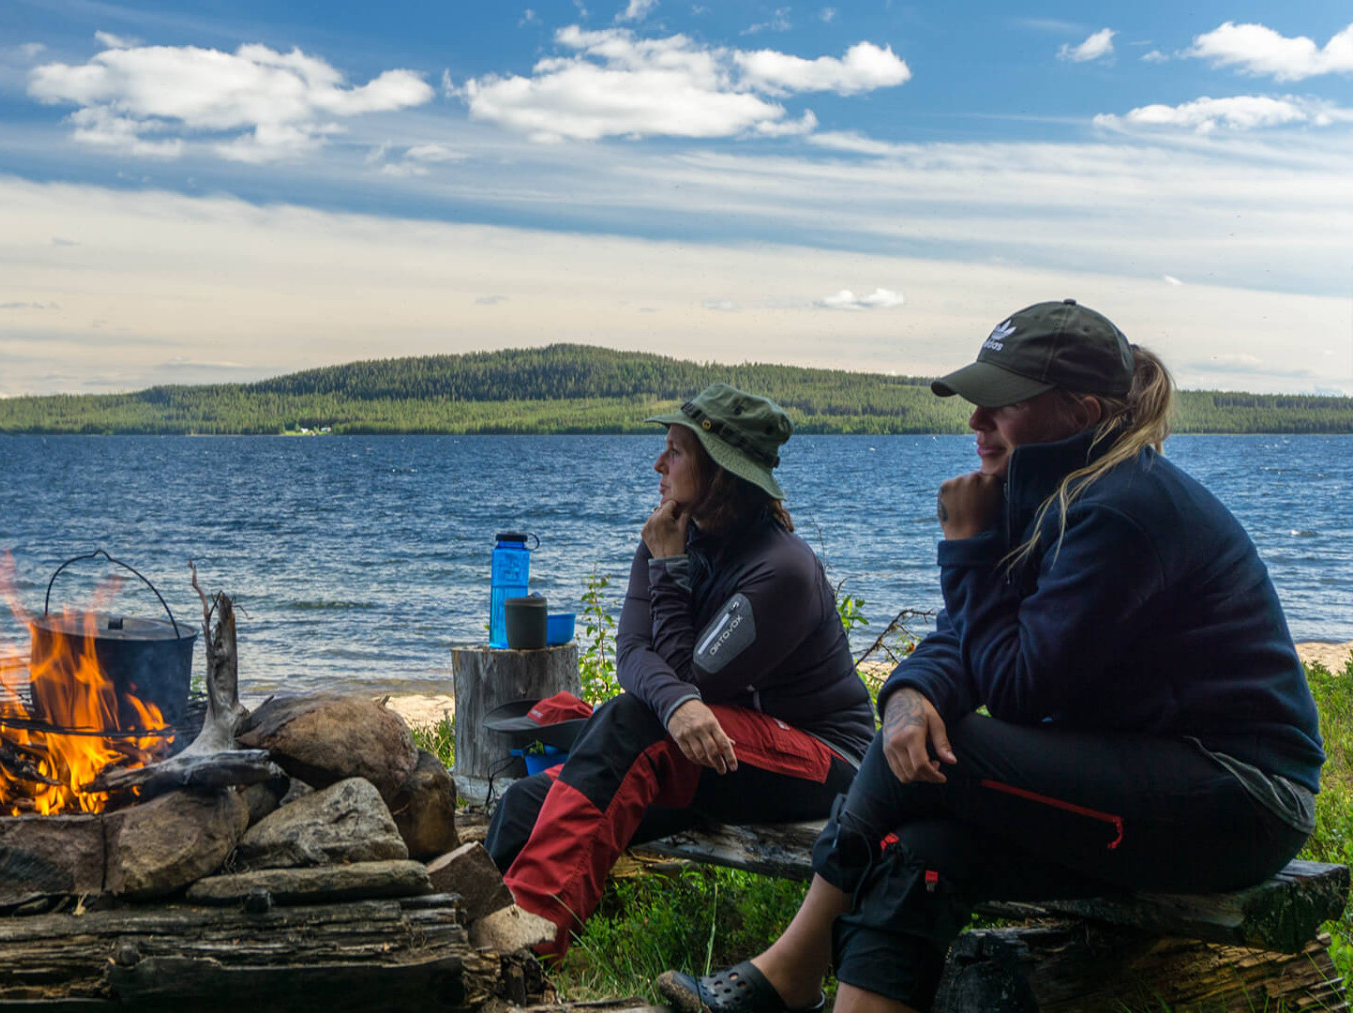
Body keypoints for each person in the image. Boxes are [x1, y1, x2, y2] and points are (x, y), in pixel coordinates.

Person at [658, 300, 1325, 1013]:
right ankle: (818, 985)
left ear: (1080, 411)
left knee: (953, 751)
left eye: (999, 403)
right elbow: (961, 639)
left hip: (1240, 796)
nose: (976, 421)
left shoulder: (1124, 511)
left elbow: (1013, 686)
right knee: (922, 848)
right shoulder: (1053, 495)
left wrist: (967, 549)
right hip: (1143, 769)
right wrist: (911, 697)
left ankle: (789, 970)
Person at [484, 384, 877, 957]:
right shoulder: (669, 534)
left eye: (675, 450)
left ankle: (525, 952)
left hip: (822, 760)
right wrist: (675, 697)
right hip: (715, 750)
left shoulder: (781, 570)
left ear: (719, 468)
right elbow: (633, 655)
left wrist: (670, 572)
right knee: (524, 804)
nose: (658, 464)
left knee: (633, 726)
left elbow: (693, 683)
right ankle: (472, 942)